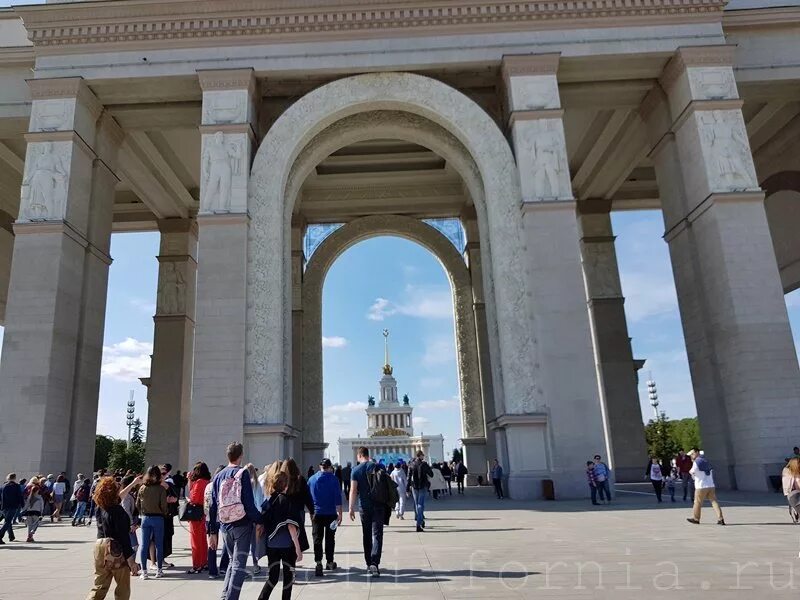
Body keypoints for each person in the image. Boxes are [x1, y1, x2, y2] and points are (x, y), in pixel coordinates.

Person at [208, 441, 263, 600]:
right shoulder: (242, 473)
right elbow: (248, 502)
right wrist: (259, 520)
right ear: (241, 456)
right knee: (239, 566)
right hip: (242, 524)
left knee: (232, 562)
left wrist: (212, 531)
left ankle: (225, 596)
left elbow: (213, 504)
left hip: (224, 525)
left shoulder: (218, 476)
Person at [87, 477, 139, 600]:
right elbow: (124, 538)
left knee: (99, 586)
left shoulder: (100, 507)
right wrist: (131, 560)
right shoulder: (118, 511)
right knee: (122, 587)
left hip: (99, 546)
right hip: (115, 548)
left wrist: (133, 483)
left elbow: (118, 497)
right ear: (114, 493)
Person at [257, 465, 303, 600]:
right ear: (286, 486)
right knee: (288, 579)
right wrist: (298, 549)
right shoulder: (287, 501)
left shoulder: (269, 501)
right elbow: (291, 527)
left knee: (273, 577)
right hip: (287, 546)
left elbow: (262, 524)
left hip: (271, 546)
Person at [349, 446, 387, 576]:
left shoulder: (355, 470)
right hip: (378, 505)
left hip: (364, 507)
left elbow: (353, 490)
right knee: (377, 534)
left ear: (359, 456)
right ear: (368, 454)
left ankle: (368, 562)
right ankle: (375, 563)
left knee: (366, 534)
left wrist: (350, 508)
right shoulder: (379, 467)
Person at [308, 458, 343, 576]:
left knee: (317, 538)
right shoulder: (334, 479)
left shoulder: (311, 479)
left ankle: (318, 563)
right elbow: (338, 498)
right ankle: (329, 561)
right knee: (330, 538)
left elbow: (308, 498)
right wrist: (340, 514)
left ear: (320, 467)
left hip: (316, 514)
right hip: (331, 514)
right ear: (329, 467)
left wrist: (311, 513)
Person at [136, 465, 168, 579]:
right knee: (159, 545)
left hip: (145, 518)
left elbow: (137, 504)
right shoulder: (161, 489)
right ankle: (159, 570)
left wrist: (142, 512)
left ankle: (144, 571)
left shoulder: (142, 488)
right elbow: (164, 505)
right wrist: (164, 512)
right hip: (158, 518)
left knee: (144, 545)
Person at [281, 459, 314, 561]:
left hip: (284, 512)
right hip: (298, 512)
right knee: (297, 535)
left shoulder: (281, 480)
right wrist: (312, 511)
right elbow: (307, 497)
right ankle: (295, 554)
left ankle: (288, 556)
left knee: (285, 536)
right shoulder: (301, 480)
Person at [685, 449, 725, 526]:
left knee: (697, 502)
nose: (691, 456)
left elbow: (692, 471)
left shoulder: (697, 462)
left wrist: (693, 473)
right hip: (710, 485)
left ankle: (696, 518)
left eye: (692, 454)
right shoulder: (706, 461)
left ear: (697, 453)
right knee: (714, 501)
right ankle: (721, 518)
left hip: (701, 486)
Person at [187, 462, 212, 574]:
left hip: (196, 514)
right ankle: (204, 562)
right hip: (204, 513)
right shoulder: (207, 482)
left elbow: (194, 498)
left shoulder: (198, 482)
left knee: (195, 541)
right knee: (202, 540)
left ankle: (197, 564)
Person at [245, 463, 264, 575]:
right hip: (254, 517)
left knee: (243, 543)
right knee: (254, 542)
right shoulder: (257, 484)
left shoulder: (243, 484)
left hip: (244, 517)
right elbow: (259, 503)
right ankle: (255, 564)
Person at [408, 450, 433, 532]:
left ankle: (421, 520)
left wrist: (407, 488)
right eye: (423, 455)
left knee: (416, 504)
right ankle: (418, 524)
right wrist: (427, 468)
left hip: (414, 487)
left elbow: (408, 477)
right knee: (420, 505)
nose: (424, 456)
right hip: (422, 486)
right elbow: (431, 474)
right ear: (420, 456)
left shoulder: (411, 464)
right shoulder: (424, 464)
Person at [0, 472, 23, 543]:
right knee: (8, 521)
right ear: (14, 478)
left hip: (3, 506)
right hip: (13, 506)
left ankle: (11, 536)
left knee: (7, 521)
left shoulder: (3, 486)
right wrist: (22, 505)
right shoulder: (16, 486)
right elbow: (20, 496)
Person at [22, 478, 44, 543]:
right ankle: (32, 533)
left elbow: (26, 505)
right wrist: (41, 512)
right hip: (36, 512)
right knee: (36, 523)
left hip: (29, 512)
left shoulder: (29, 497)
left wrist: (23, 510)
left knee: (29, 525)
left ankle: (29, 537)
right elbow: (41, 506)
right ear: (37, 491)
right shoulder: (39, 497)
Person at [782, 457, 800, 524]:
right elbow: (796, 483)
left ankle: (795, 516)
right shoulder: (788, 470)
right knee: (795, 505)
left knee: (794, 505)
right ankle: (795, 515)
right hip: (793, 491)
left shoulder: (787, 470)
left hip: (791, 492)